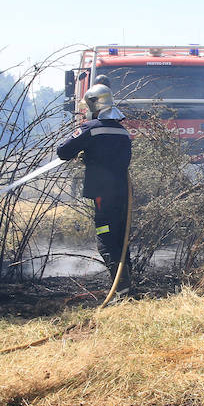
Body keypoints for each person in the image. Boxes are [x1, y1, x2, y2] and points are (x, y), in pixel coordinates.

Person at [57, 82, 133, 294]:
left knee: (106, 239)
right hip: (123, 193)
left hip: (102, 193)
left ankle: (120, 289)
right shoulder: (123, 132)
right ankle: (126, 287)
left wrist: (84, 150)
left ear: (95, 107)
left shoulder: (90, 129)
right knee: (121, 237)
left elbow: (62, 151)